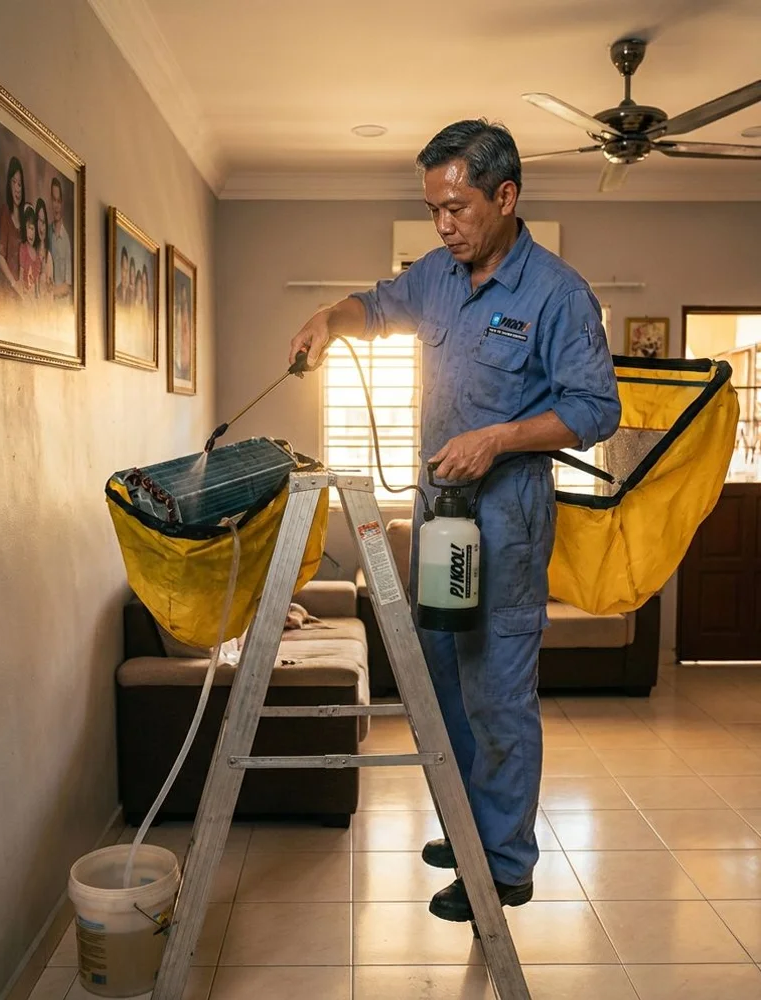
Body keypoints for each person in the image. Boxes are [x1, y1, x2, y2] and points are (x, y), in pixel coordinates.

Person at [289, 119, 621, 921]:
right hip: (436, 515)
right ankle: (469, 824)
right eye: (433, 207)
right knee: (437, 676)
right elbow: (374, 304)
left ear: (505, 198)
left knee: (497, 692)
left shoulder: (558, 293)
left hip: (506, 525)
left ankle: (504, 865)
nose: (443, 224)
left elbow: (595, 408)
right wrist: (330, 320)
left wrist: (502, 437)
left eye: (457, 207)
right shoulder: (436, 276)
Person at [0, 155, 25, 298]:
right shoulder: (5, 213)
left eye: (19, 184)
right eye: (14, 182)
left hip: (24, 294)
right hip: (8, 292)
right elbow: (0, 257)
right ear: (9, 184)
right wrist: (14, 284)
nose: (17, 189)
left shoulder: (25, 220)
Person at [48, 177, 72, 299]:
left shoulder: (66, 240)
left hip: (61, 307)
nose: (56, 205)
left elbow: (68, 286)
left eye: (58, 201)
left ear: (61, 203)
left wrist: (51, 293)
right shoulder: (46, 232)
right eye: (53, 200)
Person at [18, 203, 42, 298]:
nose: (31, 233)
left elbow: (37, 285)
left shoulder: (37, 254)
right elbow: (21, 277)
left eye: (34, 229)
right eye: (29, 228)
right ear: (25, 228)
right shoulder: (23, 248)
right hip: (25, 297)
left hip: (35, 301)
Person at [34, 198, 54, 297]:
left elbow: (50, 292)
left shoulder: (48, 257)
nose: (42, 227)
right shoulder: (31, 252)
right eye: (39, 221)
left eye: (44, 222)